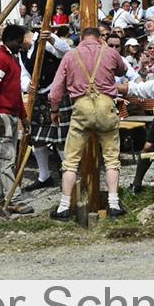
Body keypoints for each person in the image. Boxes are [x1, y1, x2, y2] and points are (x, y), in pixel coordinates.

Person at [48, 28, 129, 219]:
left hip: (81, 106)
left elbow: (55, 90)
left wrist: (54, 110)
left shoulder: (70, 55)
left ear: (82, 38)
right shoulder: (110, 52)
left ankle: (64, 206)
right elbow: (123, 69)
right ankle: (114, 204)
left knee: (70, 160)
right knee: (111, 158)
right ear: (99, 38)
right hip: (106, 105)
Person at [0, 24, 35, 217]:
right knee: (7, 159)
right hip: (2, 115)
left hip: (12, 114)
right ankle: (14, 200)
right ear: (13, 40)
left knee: (5, 160)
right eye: (21, 40)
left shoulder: (11, 58)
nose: (23, 44)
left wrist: (23, 116)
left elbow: (14, 93)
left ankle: (1, 200)